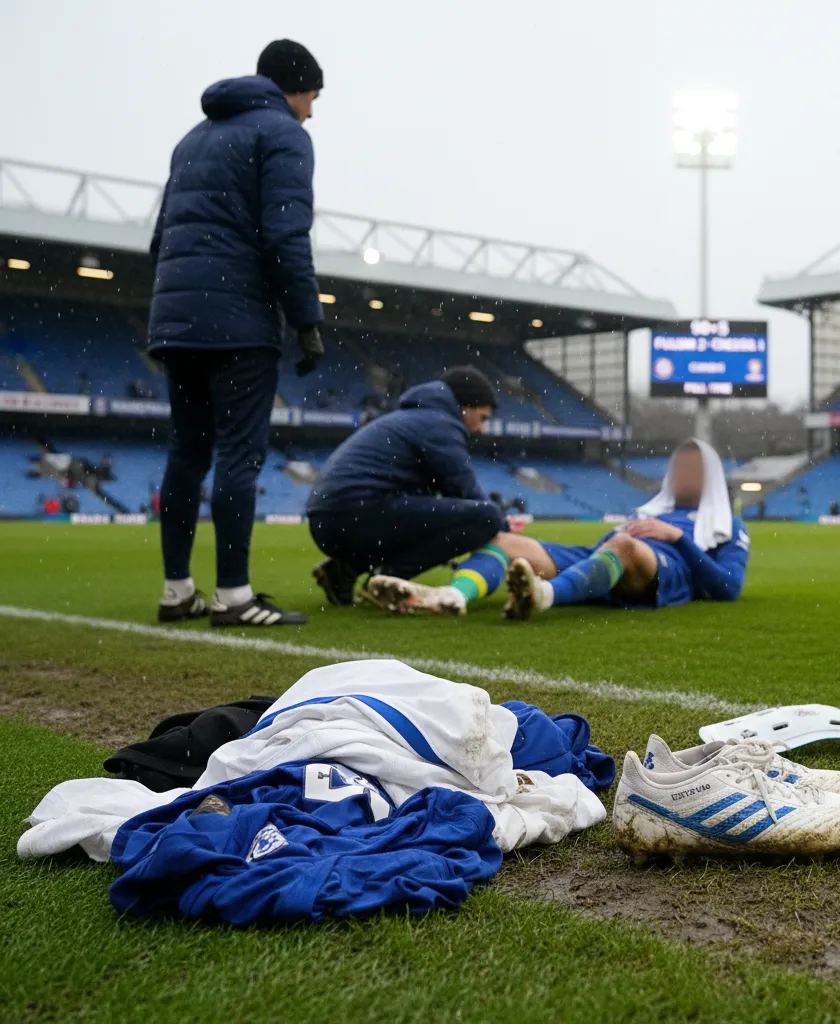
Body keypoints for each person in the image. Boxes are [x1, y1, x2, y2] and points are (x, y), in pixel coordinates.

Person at [149, 40, 325, 628]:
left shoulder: (192, 139)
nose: (311, 112)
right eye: (312, 98)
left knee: (186, 450)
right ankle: (234, 597)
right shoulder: (283, 135)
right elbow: (284, 237)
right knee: (239, 455)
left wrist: (178, 308)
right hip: (240, 318)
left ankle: (177, 591)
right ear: (293, 89)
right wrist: (307, 319)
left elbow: (161, 240)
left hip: (177, 317)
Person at [365, 439, 750, 620]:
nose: (683, 474)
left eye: (693, 468)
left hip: (659, 568)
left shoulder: (727, 524)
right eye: (679, 467)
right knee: (504, 540)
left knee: (625, 546)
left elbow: (729, 588)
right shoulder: (652, 508)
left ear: (712, 474)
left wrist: (678, 538)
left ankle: (544, 595)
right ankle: (453, 596)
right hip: (602, 554)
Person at [306, 366, 504, 605]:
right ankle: (388, 577)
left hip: (327, 521)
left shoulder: (413, 417)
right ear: (467, 407)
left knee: (430, 516)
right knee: (486, 517)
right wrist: (504, 530)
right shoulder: (440, 424)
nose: (481, 429)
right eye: (482, 418)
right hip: (358, 513)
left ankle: (344, 570)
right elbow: (465, 490)